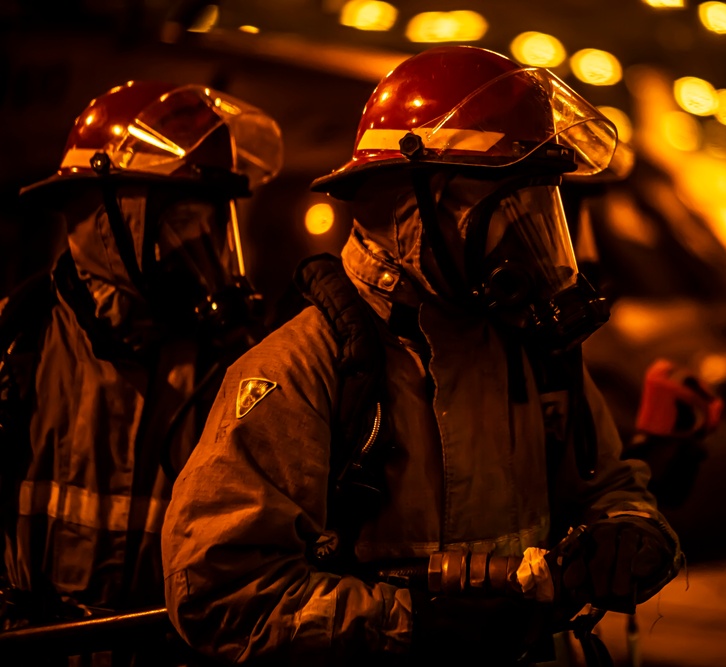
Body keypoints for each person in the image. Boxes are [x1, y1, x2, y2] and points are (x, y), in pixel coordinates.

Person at [161, 45, 682, 666]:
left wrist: (631, 530)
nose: (527, 243)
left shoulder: (531, 354)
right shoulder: (299, 371)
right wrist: (411, 627)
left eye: (540, 212)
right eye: (506, 211)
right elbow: (220, 593)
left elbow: (610, 484)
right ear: (411, 208)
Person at [0, 80, 282, 663]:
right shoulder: (15, 342)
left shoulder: (229, 369)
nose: (204, 249)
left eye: (214, 227)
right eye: (182, 223)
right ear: (109, 220)